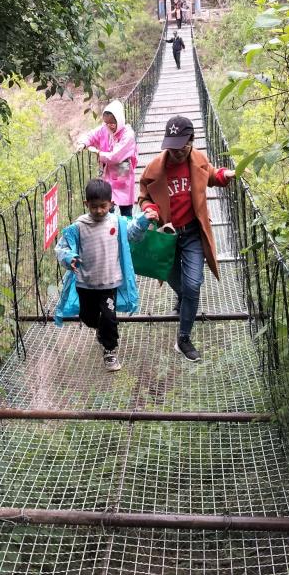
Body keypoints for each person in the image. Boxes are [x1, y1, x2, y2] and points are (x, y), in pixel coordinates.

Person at [138, 116, 235, 362]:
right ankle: (182, 297)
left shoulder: (198, 160)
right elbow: (144, 196)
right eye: (172, 146)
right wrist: (149, 208)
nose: (177, 151)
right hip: (167, 235)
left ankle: (183, 338)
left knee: (193, 285)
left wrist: (226, 175)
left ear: (191, 141)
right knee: (172, 278)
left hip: (192, 232)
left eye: (181, 145)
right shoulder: (153, 169)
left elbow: (212, 175)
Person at [55, 178, 151, 372]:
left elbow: (133, 233)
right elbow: (62, 247)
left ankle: (110, 349)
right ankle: (100, 329)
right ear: (86, 204)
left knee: (109, 316)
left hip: (109, 282)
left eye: (103, 206)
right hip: (85, 283)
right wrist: (69, 258)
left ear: (112, 204)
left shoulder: (117, 222)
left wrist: (144, 219)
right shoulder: (78, 227)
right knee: (88, 317)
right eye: (94, 207)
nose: (98, 211)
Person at [81, 100, 137, 216]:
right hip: (108, 170)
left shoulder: (128, 135)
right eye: (106, 123)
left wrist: (98, 153)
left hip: (122, 166)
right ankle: (109, 228)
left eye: (112, 123)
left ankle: (127, 228)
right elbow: (91, 135)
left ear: (119, 120)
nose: (109, 126)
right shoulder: (104, 128)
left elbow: (116, 156)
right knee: (107, 200)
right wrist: (84, 143)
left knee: (124, 201)